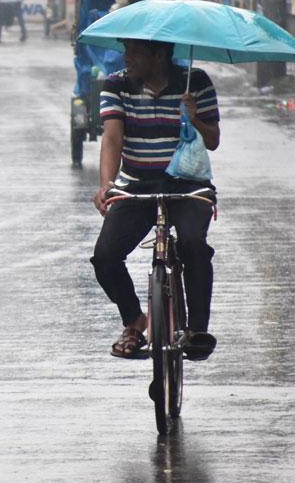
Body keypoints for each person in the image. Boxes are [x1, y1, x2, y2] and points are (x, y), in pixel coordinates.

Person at [91, 39, 220, 361]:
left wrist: (196, 118)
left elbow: (214, 141)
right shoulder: (116, 84)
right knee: (105, 256)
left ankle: (196, 330)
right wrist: (107, 184)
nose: (127, 58)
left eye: (135, 51)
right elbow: (112, 137)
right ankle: (134, 320)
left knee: (194, 245)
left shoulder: (197, 82)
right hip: (136, 185)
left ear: (159, 54)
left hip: (188, 187)